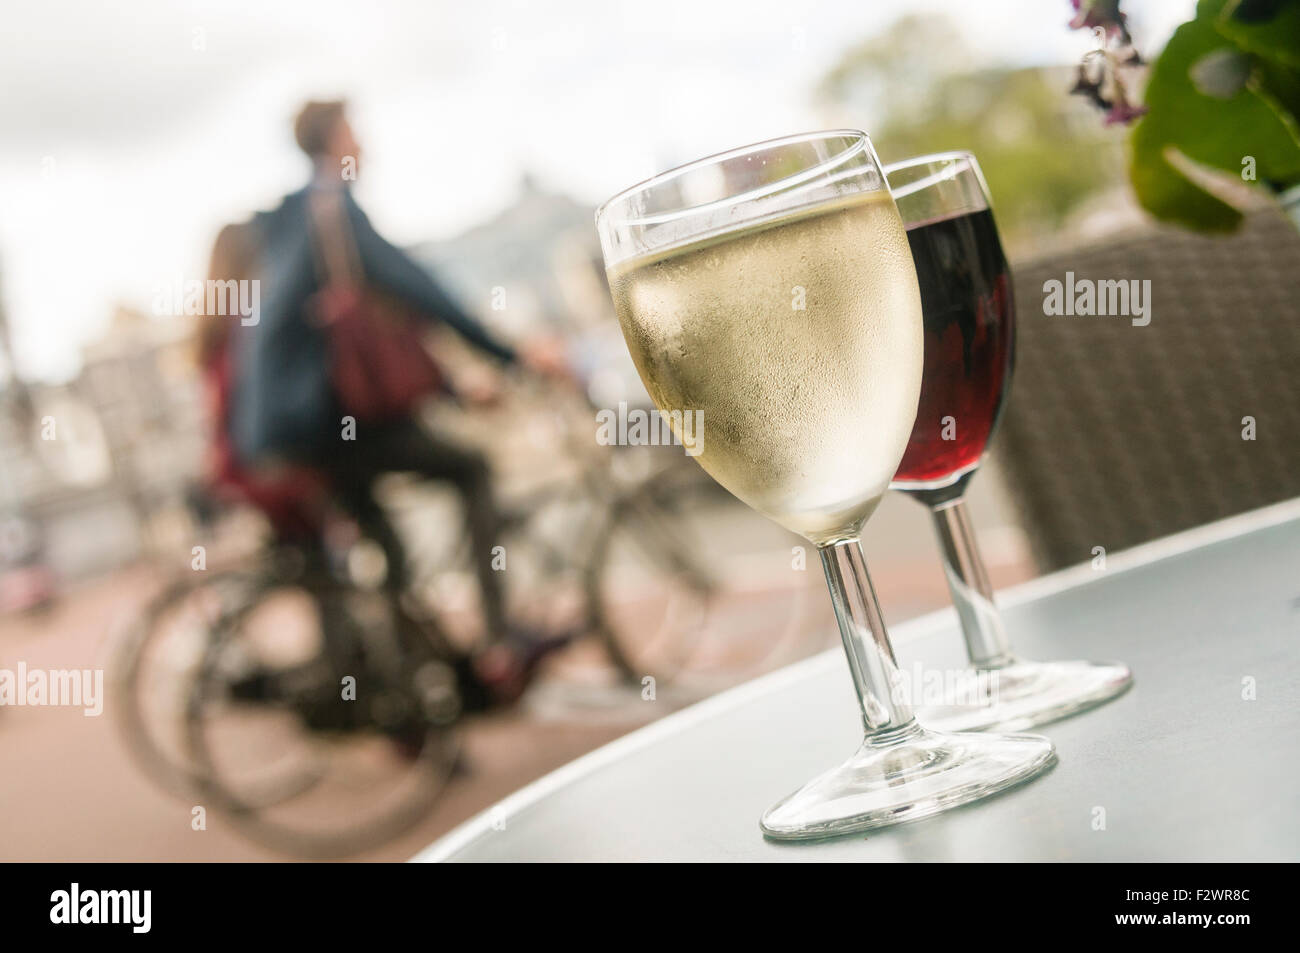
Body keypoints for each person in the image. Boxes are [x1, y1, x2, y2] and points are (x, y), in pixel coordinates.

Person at [225, 100, 570, 702]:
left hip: (285, 427)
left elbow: (366, 334)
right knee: (471, 470)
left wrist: (453, 386)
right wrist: (511, 354)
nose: (366, 144)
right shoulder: (331, 207)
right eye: (357, 130)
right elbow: (418, 291)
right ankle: (499, 640)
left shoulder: (286, 221)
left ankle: (406, 693)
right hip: (323, 423)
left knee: (387, 549)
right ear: (335, 139)